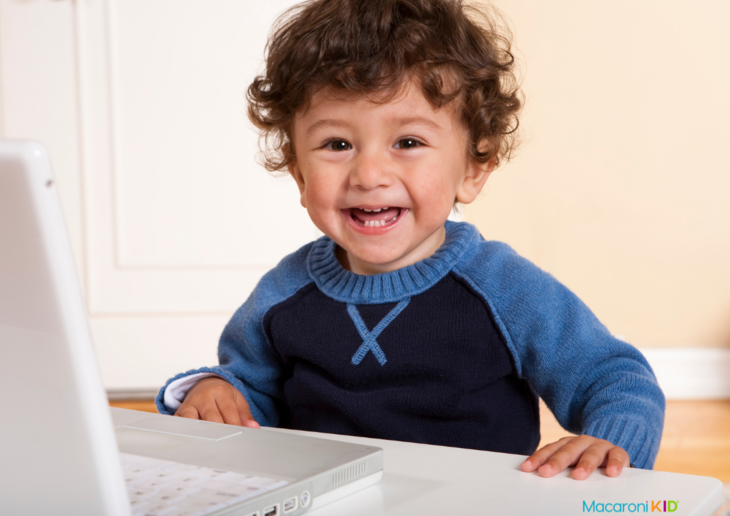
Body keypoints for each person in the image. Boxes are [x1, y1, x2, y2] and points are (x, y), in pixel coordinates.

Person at [156, 0, 665, 480]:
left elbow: (615, 378)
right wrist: (216, 390)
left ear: (473, 167)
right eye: (337, 144)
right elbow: (250, 388)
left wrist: (606, 442)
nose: (370, 172)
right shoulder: (282, 293)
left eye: (408, 142)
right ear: (297, 173)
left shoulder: (505, 289)